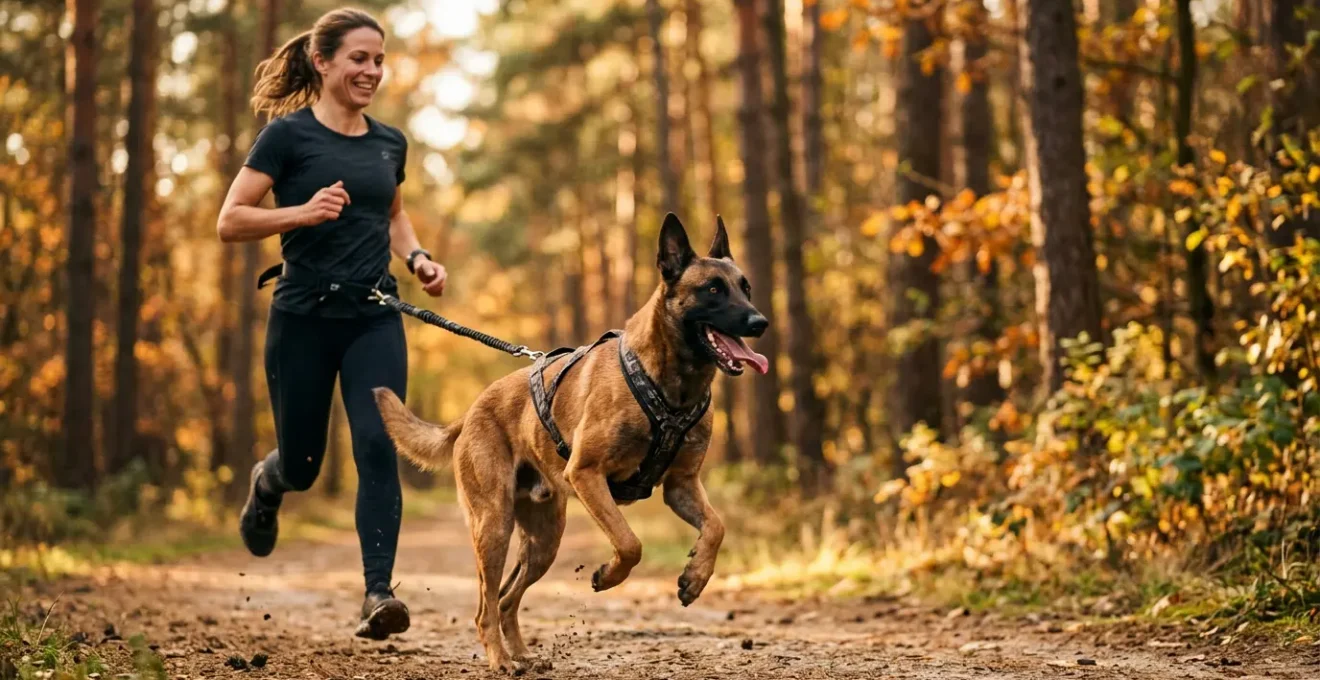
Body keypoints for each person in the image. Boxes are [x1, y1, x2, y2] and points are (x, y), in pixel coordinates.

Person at [215, 8, 444, 640]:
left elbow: (393, 213)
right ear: (323, 62)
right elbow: (230, 220)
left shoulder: (389, 142)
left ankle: (378, 594)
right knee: (305, 463)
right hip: (302, 320)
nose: (372, 71)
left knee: (379, 446)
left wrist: (418, 257)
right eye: (359, 59)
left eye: (378, 59)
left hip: (374, 318)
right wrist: (301, 214)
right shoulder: (287, 138)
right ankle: (270, 480)